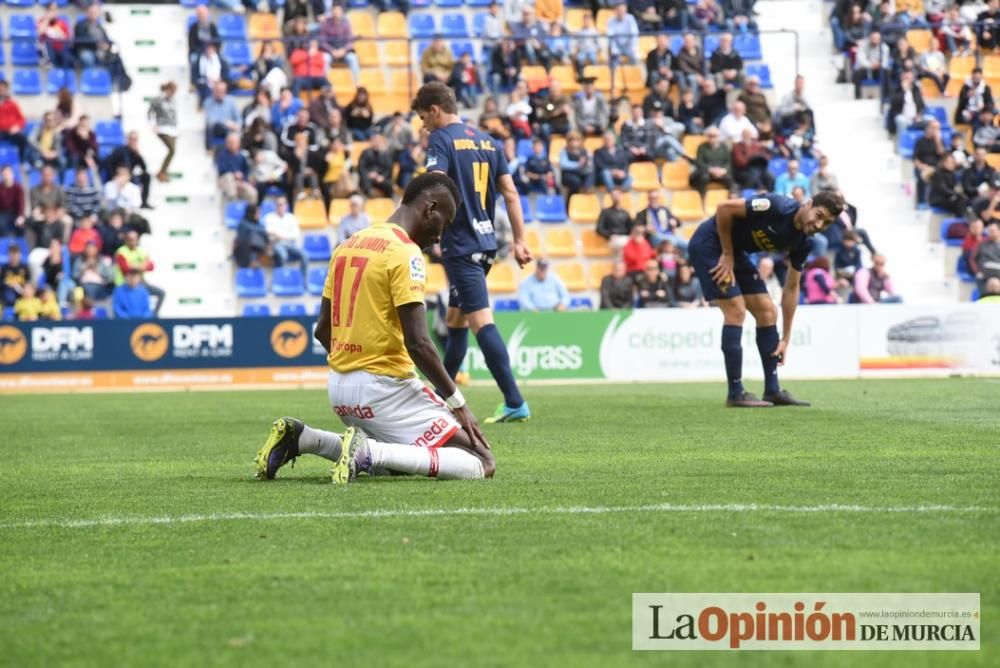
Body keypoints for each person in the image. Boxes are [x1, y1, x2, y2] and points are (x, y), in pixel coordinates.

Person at [254, 172, 495, 483]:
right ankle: (367, 453)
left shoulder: (347, 245)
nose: (439, 237)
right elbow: (419, 343)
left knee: (405, 457)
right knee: (481, 461)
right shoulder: (404, 252)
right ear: (430, 208)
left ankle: (304, 439)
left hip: (339, 391)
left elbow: (321, 330)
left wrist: (353, 366)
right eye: (444, 224)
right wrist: (458, 404)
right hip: (384, 390)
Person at [413, 82, 532, 424]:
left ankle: (514, 400)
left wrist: (420, 230)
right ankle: (440, 397)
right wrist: (520, 240)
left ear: (435, 109)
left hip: (461, 246)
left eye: (423, 117)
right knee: (456, 320)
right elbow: (510, 193)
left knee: (480, 321)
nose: (423, 126)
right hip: (487, 243)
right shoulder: (487, 141)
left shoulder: (442, 139)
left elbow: (434, 186)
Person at [687, 191, 844, 407]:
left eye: (826, 223)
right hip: (710, 245)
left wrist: (786, 338)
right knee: (736, 311)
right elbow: (724, 208)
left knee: (768, 311)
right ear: (808, 204)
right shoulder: (777, 206)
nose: (819, 224)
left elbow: (791, 287)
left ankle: (772, 390)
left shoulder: (804, 242)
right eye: (819, 215)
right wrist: (728, 254)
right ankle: (735, 393)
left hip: (736, 251)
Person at [114, 229, 165, 316]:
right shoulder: (121, 251)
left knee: (161, 293)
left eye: (134, 239)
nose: (132, 241)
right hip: (124, 284)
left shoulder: (141, 251)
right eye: (130, 239)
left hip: (140, 283)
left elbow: (151, 266)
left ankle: (154, 316)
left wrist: (133, 266)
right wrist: (141, 266)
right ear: (126, 240)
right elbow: (125, 268)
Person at [105, 132, 153, 210]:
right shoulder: (120, 151)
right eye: (132, 139)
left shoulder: (136, 153)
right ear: (128, 140)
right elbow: (108, 163)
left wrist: (139, 155)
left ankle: (144, 202)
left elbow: (144, 168)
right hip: (119, 176)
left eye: (135, 139)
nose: (133, 141)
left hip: (130, 176)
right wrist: (113, 176)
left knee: (146, 176)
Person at [263, 196, 308, 276]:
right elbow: (268, 232)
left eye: (282, 204)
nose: (280, 207)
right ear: (275, 206)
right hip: (276, 244)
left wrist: (279, 234)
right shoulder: (269, 217)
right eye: (278, 204)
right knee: (283, 255)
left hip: (290, 244)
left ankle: (303, 281)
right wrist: (279, 235)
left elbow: (295, 234)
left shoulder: (291, 217)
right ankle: (281, 279)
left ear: (286, 206)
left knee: (305, 255)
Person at [318, 5, 360, 84]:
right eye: (335, 12)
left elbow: (350, 41)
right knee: (324, 58)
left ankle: (356, 83)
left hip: (344, 51)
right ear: (331, 13)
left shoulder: (346, 24)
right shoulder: (325, 24)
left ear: (342, 13)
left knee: (353, 58)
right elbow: (322, 41)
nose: (336, 14)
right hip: (330, 52)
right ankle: (326, 84)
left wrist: (343, 50)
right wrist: (332, 50)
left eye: (338, 12)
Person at [148, 82, 178, 183]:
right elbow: (150, 112)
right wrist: (153, 125)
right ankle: (162, 172)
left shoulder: (173, 101)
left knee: (172, 151)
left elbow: (174, 115)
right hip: (162, 127)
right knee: (172, 149)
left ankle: (164, 172)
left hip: (172, 129)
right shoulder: (158, 100)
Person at [690, 127, 734, 196]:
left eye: (714, 136)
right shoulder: (702, 147)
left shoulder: (724, 147)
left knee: (729, 178)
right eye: (709, 135)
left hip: (720, 172)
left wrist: (724, 170)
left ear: (718, 136)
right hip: (707, 172)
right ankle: (702, 198)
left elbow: (728, 162)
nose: (712, 138)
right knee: (704, 177)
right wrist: (710, 169)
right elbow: (699, 162)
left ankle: (730, 198)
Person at [216, 133, 257, 204]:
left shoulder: (242, 157)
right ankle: (233, 206)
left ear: (238, 143)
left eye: (233, 142)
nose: (231, 144)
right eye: (229, 142)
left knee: (252, 193)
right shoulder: (222, 155)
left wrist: (244, 179)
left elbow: (246, 171)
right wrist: (234, 174)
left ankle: (251, 213)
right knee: (229, 177)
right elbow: (221, 169)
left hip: (239, 182)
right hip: (225, 180)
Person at [595, 188, 633, 253]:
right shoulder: (605, 212)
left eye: (618, 195)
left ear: (621, 196)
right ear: (611, 197)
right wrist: (610, 235)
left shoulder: (626, 213)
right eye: (614, 195)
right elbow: (599, 229)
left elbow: (630, 229)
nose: (616, 197)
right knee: (625, 244)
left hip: (625, 238)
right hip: (613, 239)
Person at [559, 131, 594, 197]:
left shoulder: (585, 150)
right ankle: (571, 200)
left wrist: (588, 162)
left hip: (582, 173)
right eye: (572, 140)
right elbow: (563, 165)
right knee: (576, 181)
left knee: (590, 174)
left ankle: (586, 192)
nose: (574, 142)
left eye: (577, 140)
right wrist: (578, 164)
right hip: (569, 174)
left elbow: (590, 163)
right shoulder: (564, 151)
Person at [358, 134, 394, 198]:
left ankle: (388, 201)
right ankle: (370, 196)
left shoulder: (386, 154)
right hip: (368, 177)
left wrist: (382, 176)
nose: (377, 142)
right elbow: (361, 167)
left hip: (380, 177)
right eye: (375, 141)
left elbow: (388, 168)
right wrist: (368, 174)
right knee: (365, 184)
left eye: (378, 141)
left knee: (389, 185)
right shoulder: (365, 153)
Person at [0, 80, 27, 161]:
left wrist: (17, 127)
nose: (1, 91)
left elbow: (22, 119)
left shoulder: (13, 104)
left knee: (23, 139)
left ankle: (22, 162)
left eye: (3, 89)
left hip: (11, 131)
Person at [607, 0, 639, 67]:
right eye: (619, 10)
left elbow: (634, 35)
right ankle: (615, 76)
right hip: (617, 47)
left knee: (635, 59)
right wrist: (615, 51)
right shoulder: (610, 21)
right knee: (613, 60)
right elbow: (610, 38)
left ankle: (631, 75)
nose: (621, 12)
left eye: (623, 10)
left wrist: (632, 49)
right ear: (616, 10)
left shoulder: (630, 18)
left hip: (628, 47)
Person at [1, 242, 29, 307]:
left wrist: (24, 289)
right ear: (8, 255)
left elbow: (28, 281)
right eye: (11, 254)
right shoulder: (5, 268)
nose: (14, 257)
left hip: (22, 291)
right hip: (8, 292)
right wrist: (8, 284)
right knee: (9, 296)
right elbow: (1, 283)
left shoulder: (24, 268)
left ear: (19, 254)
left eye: (15, 253)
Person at [0, 165, 25, 237]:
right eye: (4, 174)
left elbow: (21, 203)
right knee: (1, 223)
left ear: (12, 174)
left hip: (15, 213)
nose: (6, 175)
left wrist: (21, 216)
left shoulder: (18, 187)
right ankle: (4, 244)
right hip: (3, 213)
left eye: (8, 173)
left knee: (22, 225)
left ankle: (19, 244)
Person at [975, 222, 1000, 288]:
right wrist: (977, 271)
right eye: (989, 231)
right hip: (985, 273)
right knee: (980, 277)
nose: (990, 233)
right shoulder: (982, 244)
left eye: (992, 231)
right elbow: (973, 259)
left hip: (998, 273)